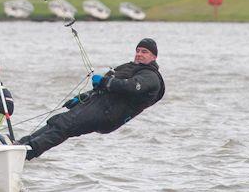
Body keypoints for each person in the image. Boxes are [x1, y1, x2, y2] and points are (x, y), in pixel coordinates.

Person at [18, 38, 165, 160]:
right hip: (101, 106)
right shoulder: (131, 68)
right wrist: (84, 96)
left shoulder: (151, 77)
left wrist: (104, 82)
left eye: (144, 52)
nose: (139, 54)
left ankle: (26, 152)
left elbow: (129, 87)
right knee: (58, 121)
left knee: (65, 125)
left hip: (108, 114)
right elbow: (107, 89)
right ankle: (21, 144)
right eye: (137, 51)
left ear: (154, 57)